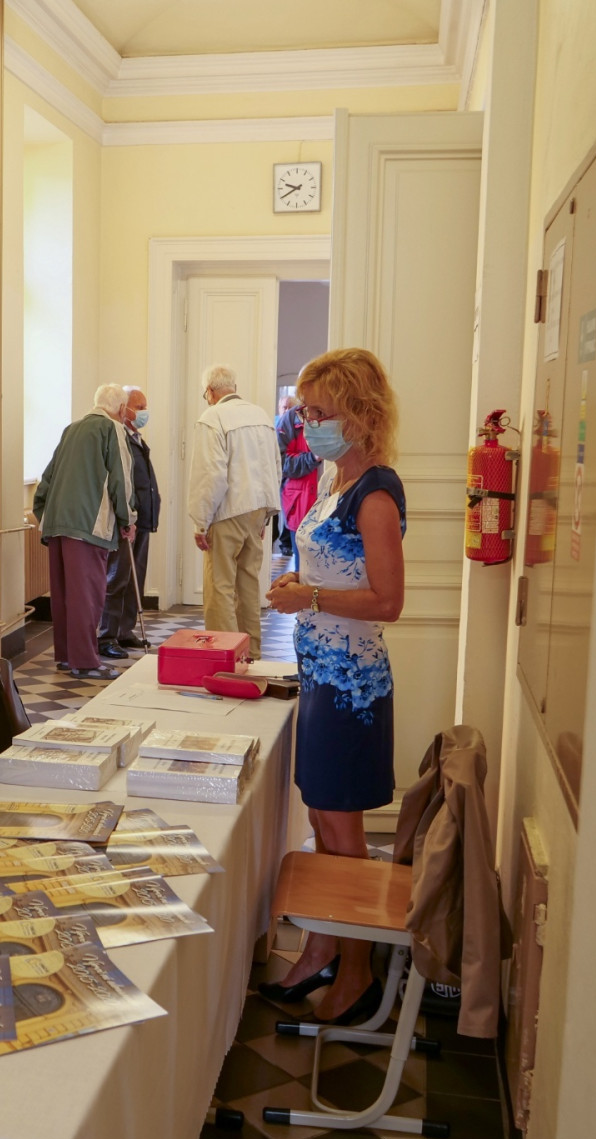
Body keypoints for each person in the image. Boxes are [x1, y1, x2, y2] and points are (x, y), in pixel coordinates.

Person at [261, 346, 406, 1025]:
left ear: (360, 411)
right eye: (305, 411)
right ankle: (321, 947)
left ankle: (358, 972)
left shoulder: (374, 492)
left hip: (352, 688)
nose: (309, 423)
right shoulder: (334, 480)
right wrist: (302, 584)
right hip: (320, 673)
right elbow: (331, 572)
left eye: (320, 412)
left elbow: (386, 601)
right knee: (321, 815)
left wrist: (309, 597)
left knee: (343, 830)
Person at [33, 384, 136, 680]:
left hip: (57, 521)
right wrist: (127, 518)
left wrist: (45, 513)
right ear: (120, 409)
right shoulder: (112, 429)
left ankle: (67, 657)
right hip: (87, 523)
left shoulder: (71, 429)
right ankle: (86, 662)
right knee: (87, 596)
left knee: (64, 594)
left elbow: (47, 477)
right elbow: (120, 479)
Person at [188, 364, 282, 657]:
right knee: (249, 586)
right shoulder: (261, 416)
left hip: (226, 511)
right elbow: (274, 468)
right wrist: (266, 516)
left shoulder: (212, 417)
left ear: (210, 391)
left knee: (220, 588)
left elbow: (210, 475)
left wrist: (200, 521)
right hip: (257, 510)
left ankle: (226, 657)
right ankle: (251, 654)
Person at [98, 386, 160, 659]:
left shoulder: (136, 438)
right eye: (140, 407)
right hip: (126, 520)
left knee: (136, 578)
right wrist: (127, 516)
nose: (144, 412)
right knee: (118, 578)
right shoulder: (117, 435)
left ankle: (125, 630)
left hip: (142, 519)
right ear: (125, 408)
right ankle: (106, 635)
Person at [276, 399, 320, 570]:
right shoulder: (290, 420)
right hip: (299, 504)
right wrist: (312, 458)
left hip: (331, 501)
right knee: (302, 569)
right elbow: (280, 462)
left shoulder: (339, 414)